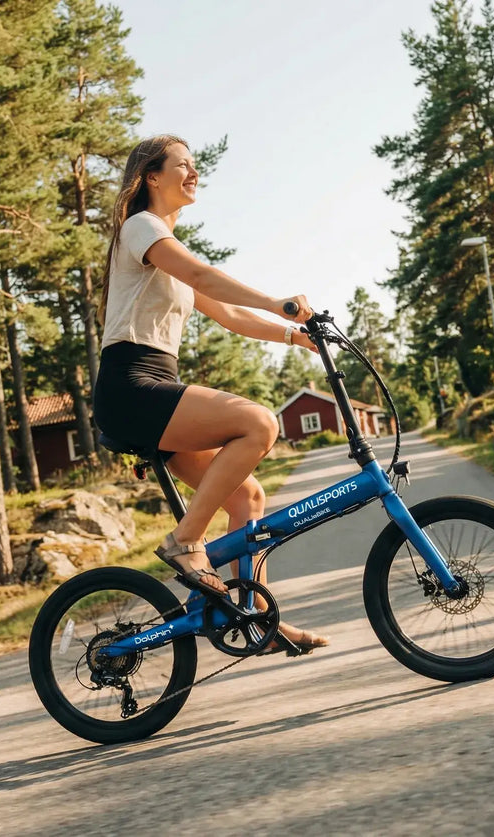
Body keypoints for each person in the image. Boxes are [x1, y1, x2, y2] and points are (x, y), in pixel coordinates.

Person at [92, 134, 330, 654]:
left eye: (195, 166)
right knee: (260, 423)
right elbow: (206, 276)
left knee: (247, 498)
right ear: (152, 177)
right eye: (183, 165)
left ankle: (258, 621)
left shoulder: (164, 244)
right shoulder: (142, 228)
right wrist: (278, 301)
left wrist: (294, 334)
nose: (194, 173)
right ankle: (184, 542)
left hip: (156, 383)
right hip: (132, 384)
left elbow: (227, 313)